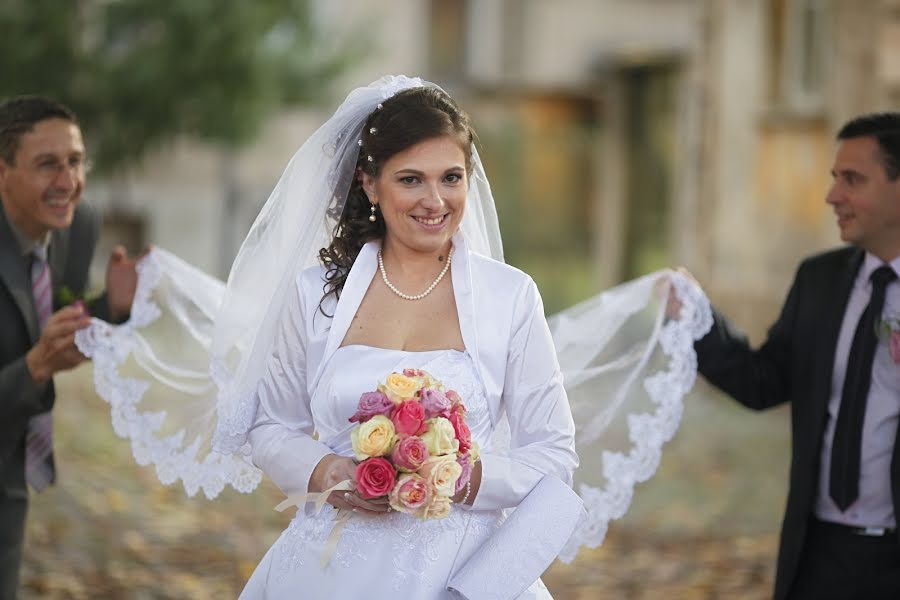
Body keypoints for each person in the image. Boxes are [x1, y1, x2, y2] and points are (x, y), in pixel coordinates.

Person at [73, 76, 712, 598]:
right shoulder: (313, 297)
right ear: (369, 184)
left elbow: (553, 454)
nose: (435, 200)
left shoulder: (509, 296)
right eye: (411, 179)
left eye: (451, 177)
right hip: (331, 561)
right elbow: (269, 426)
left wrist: (457, 480)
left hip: (467, 571)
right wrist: (330, 470)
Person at [685, 112, 900, 599]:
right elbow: (763, 382)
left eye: (853, 180)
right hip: (818, 556)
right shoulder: (819, 281)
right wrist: (696, 318)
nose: (833, 196)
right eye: (834, 179)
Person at [0, 96, 141, 600]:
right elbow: (38, 352)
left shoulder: (77, 225)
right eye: (47, 165)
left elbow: (56, 323)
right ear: (3, 172)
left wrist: (112, 309)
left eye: (75, 161)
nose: (68, 182)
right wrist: (36, 366)